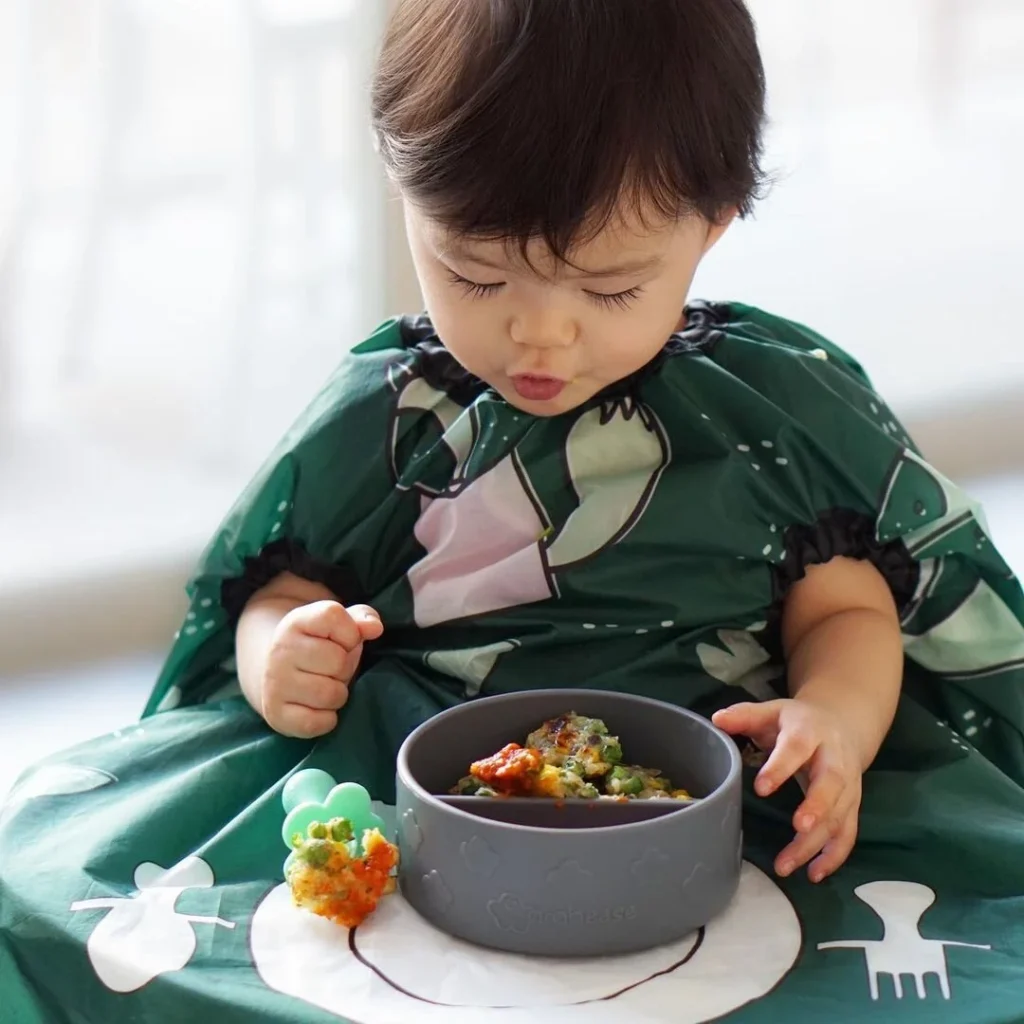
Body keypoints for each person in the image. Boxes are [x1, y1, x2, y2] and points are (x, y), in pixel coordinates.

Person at [3, 3, 1024, 1023]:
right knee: (54, 894)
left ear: (713, 224)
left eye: (612, 289)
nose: (539, 336)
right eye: (474, 273)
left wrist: (832, 721)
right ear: (403, 190)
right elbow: (283, 584)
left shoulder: (769, 411)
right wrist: (284, 652)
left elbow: (847, 609)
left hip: (723, 798)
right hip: (409, 790)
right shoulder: (391, 415)